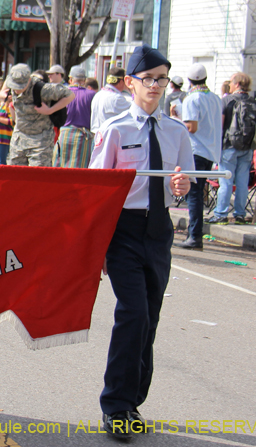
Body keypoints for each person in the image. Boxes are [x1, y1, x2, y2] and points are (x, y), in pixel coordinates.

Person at [90, 45, 193, 441]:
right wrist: (96, 245)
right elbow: (98, 190)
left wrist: (181, 188)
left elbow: (180, 183)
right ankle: (115, 405)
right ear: (130, 82)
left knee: (149, 315)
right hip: (123, 230)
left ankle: (132, 400)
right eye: (147, 79)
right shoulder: (116, 129)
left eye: (161, 79)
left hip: (158, 230)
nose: (155, 86)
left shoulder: (175, 131)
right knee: (132, 312)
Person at [178, 63, 223, 249]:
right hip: (210, 150)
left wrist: (176, 122)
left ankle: (195, 235)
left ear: (189, 80)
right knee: (198, 192)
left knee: (194, 195)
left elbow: (192, 127)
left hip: (196, 150)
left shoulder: (191, 99)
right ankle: (195, 233)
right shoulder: (215, 98)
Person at [208, 72, 256, 225]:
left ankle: (221, 214)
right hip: (247, 147)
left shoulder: (227, 101)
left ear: (237, 84)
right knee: (243, 181)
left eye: (231, 82)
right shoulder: (254, 102)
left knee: (226, 182)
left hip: (229, 146)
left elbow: (221, 125)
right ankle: (240, 214)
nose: (229, 84)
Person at [5, 63, 74, 166]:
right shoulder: (13, 86)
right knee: (14, 176)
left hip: (40, 141)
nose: (16, 89)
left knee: (38, 176)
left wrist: (50, 110)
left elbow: (70, 95)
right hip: (19, 138)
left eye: (20, 86)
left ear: (29, 80)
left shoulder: (43, 89)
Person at [55, 65, 96, 168]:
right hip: (84, 136)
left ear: (70, 79)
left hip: (64, 134)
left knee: (61, 167)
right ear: (85, 80)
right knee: (80, 170)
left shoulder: (61, 93)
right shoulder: (92, 95)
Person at [91, 66, 132, 134]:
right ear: (122, 81)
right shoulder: (116, 98)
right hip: (108, 137)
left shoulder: (98, 94)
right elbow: (135, 109)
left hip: (96, 136)